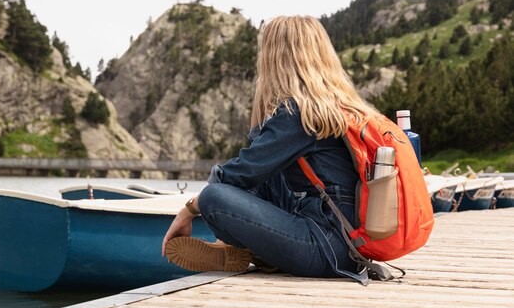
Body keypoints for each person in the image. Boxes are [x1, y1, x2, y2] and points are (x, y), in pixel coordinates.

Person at [161, 15, 385, 281]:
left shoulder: (300, 113)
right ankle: (256, 252)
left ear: (276, 58)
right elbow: (259, 162)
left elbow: (240, 173)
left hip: (326, 248)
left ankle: (241, 247)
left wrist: (188, 210)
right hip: (343, 243)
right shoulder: (334, 106)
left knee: (213, 196)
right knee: (267, 174)